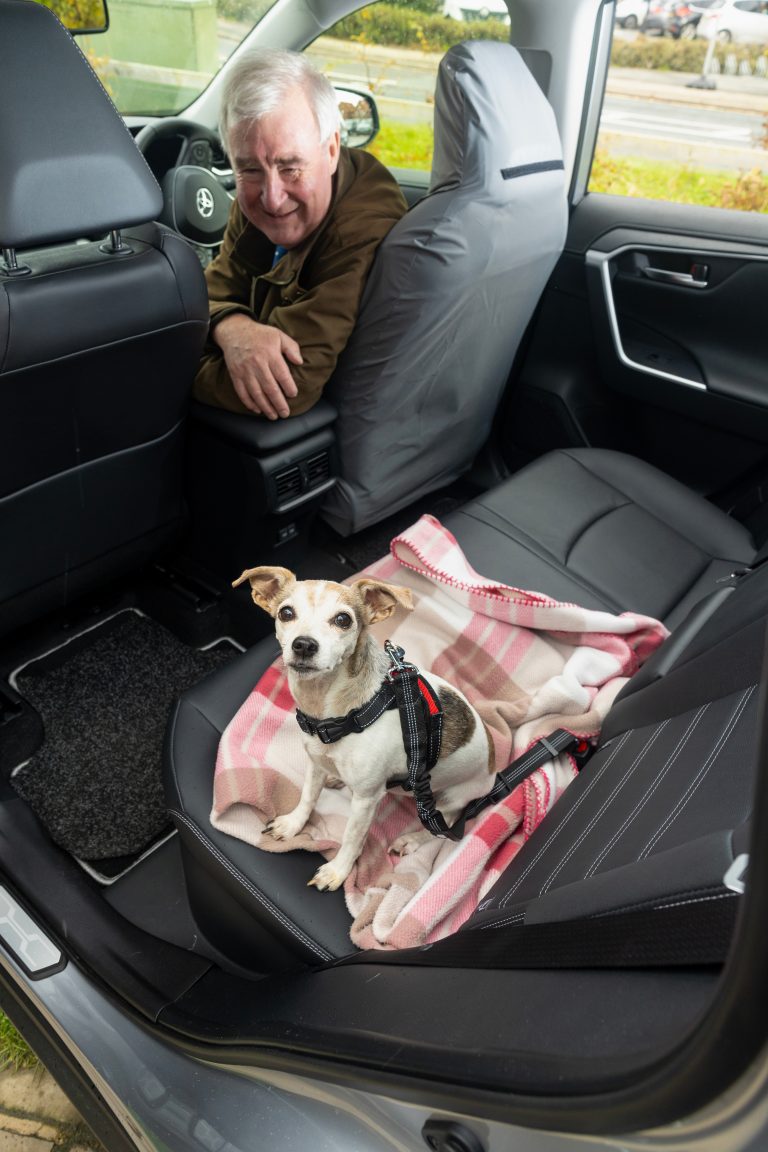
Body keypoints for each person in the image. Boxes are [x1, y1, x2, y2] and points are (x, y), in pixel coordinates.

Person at [193, 47, 408, 421]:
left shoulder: (360, 232)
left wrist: (159, 367)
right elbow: (209, 295)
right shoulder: (258, 202)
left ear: (331, 150)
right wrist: (233, 328)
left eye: (290, 167)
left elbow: (285, 388)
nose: (272, 198)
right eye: (249, 170)